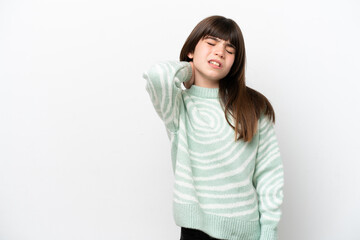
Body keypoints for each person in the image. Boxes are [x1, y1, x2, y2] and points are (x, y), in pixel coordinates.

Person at [143, 15, 284, 240]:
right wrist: (188, 71)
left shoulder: (253, 107)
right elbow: (157, 75)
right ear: (191, 50)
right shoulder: (179, 106)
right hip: (195, 232)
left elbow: (270, 175)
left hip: (245, 232)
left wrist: (268, 232)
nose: (220, 52)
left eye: (230, 50)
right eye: (211, 43)